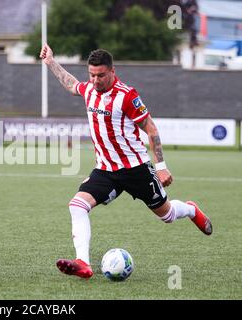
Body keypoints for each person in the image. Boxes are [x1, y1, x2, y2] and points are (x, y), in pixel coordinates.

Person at [40, 44, 212, 279]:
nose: (96, 80)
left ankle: (191, 209)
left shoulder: (127, 96)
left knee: (167, 215)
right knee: (77, 205)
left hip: (136, 169)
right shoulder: (89, 90)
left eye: (101, 75)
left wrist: (161, 167)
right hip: (106, 170)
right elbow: (71, 84)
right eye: (92, 75)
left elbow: (150, 128)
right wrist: (51, 62)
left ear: (112, 71)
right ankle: (83, 262)